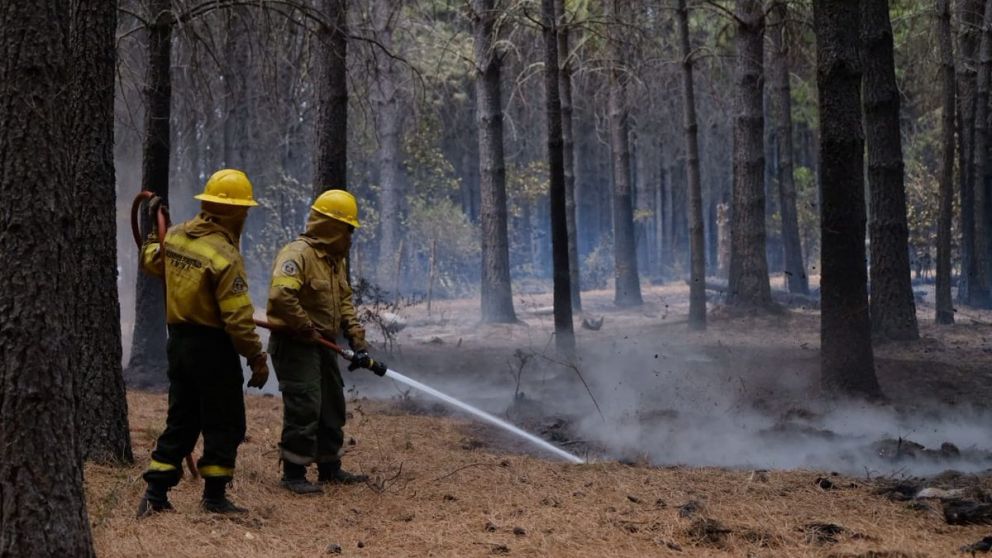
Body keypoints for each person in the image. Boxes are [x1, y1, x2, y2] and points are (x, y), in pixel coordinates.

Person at [136, 169, 270, 516]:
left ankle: (155, 493)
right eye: (244, 209)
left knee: (182, 420)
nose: (245, 216)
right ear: (232, 212)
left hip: (179, 344)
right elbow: (237, 319)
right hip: (213, 348)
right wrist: (256, 357)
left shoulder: (176, 236)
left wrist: (153, 232)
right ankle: (214, 497)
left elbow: (151, 260)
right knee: (225, 421)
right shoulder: (225, 255)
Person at [266, 189, 383, 494]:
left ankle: (330, 467)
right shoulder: (297, 255)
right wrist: (305, 327)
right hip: (295, 344)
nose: (350, 237)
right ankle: (293, 473)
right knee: (305, 405)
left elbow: (344, 302)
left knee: (332, 405)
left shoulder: (333, 262)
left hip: (322, 344)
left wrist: (357, 338)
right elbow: (281, 296)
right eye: (347, 229)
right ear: (331, 226)